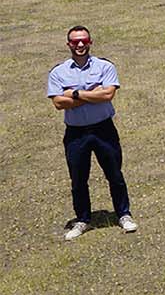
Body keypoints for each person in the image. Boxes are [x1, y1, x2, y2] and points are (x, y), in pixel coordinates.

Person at [47, 26, 135, 240]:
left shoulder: (105, 66)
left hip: (103, 129)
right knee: (78, 179)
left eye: (84, 41)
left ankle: (123, 214)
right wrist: (93, 93)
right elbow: (58, 103)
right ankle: (83, 219)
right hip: (76, 133)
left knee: (114, 174)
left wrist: (75, 94)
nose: (80, 45)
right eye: (75, 41)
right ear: (68, 44)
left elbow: (107, 95)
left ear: (90, 42)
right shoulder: (58, 72)